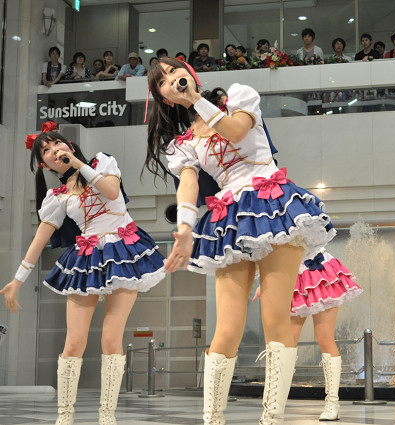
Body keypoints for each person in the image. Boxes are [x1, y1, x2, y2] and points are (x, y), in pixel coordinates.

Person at [144, 58, 336, 424]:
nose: (171, 79)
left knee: (275, 319)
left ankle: (272, 419)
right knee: (227, 328)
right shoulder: (181, 144)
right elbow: (188, 184)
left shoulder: (239, 96)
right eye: (163, 81)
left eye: (173, 71)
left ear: (190, 74)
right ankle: (212, 419)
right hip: (229, 216)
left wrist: (196, 99)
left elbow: (234, 131)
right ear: (165, 98)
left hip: (273, 202)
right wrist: (185, 226)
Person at [0, 123, 165, 425]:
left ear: (70, 147)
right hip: (86, 258)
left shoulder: (102, 162)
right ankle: (64, 417)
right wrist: (17, 280)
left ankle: (107, 417)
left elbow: (111, 191)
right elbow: (39, 241)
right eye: (45, 150)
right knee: (74, 343)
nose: (53, 151)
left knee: (111, 339)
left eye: (56, 144)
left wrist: (78, 164)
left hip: (123, 252)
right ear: (44, 164)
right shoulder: (57, 197)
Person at [253, 249, 362, 421]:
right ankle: (274, 408)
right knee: (286, 344)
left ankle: (332, 403)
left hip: (319, 270)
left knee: (325, 338)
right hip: (292, 275)